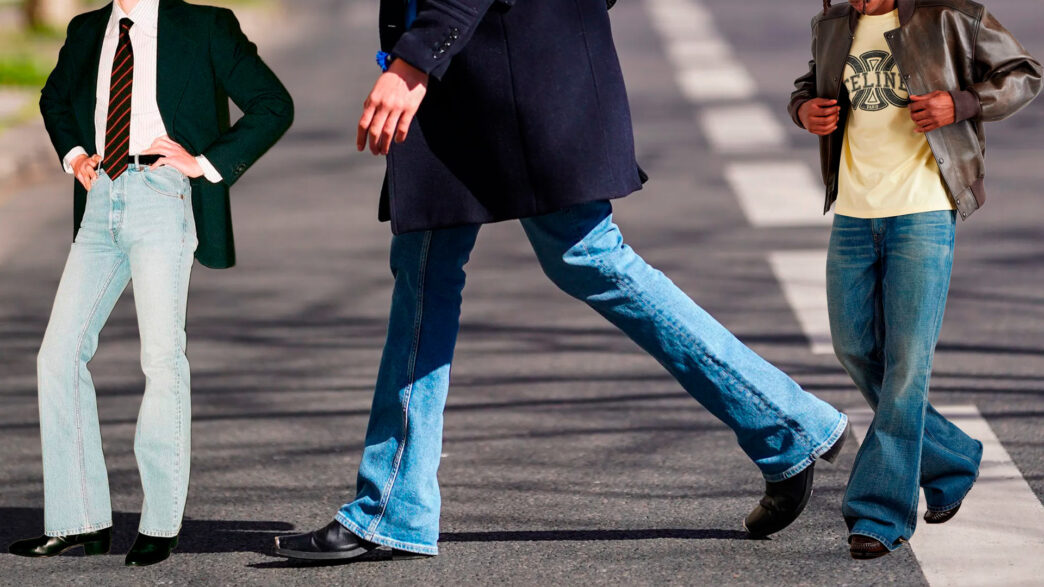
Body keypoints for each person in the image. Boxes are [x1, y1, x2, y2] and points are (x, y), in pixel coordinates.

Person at [273, 0, 849, 562]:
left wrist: (415, 59)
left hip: (504, 70)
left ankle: (786, 422)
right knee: (439, 270)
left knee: (581, 256)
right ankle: (393, 505)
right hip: (495, 69)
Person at [8, 0, 293, 567]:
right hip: (99, 202)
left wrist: (204, 163)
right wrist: (73, 154)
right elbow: (54, 97)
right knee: (57, 357)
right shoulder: (88, 29)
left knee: (161, 360)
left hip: (162, 197)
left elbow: (272, 105)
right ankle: (79, 520)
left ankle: (160, 523)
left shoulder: (205, 26)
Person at [789, 0, 1041, 560]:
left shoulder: (951, 15)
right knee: (855, 347)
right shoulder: (833, 24)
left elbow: (1024, 73)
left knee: (907, 366)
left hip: (924, 209)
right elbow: (809, 84)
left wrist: (965, 103)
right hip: (855, 210)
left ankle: (880, 513)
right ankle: (951, 457)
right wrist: (804, 110)